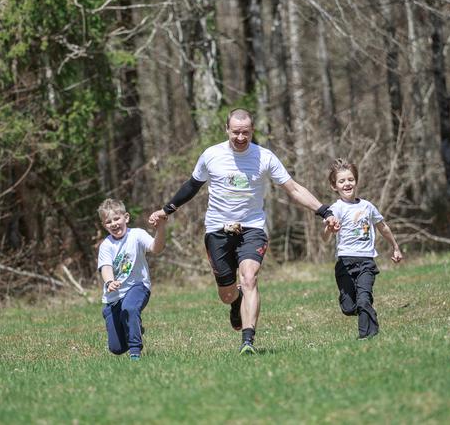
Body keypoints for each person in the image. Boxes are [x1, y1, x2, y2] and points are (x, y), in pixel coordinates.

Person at [148, 108, 339, 355]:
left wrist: (324, 210)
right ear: (227, 130)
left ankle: (248, 340)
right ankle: (235, 301)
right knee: (226, 294)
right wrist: (167, 210)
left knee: (249, 278)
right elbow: (192, 186)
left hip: (252, 227)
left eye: (245, 132)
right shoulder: (211, 155)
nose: (240, 137)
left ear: (252, 131)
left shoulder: (264, 157)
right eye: (236, 132)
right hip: (217, 230)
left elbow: (292, 188)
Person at [321, 158, 403, 340]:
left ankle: (367, 335)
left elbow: (383, 227)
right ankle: (361, 313)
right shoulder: (336, 209)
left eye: (350, 179)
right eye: (341, 181)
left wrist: (395, 247)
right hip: (345, 263)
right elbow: (325, 238)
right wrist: (329, 228)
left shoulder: (367, 207)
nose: (347, 184)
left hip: (366, 261)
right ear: (334, 186)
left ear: (356, 181)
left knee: (364, 299)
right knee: (349, 307)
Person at [97, 198, 167, 360]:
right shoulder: (106, 245)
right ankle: (134, 326)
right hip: (113, 297)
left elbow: (156, 248)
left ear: (126, 217)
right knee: (117, 348)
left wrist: (161, 229)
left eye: (116, 219)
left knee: (129, 308)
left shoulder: (137, 235)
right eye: (108, 222)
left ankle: (135, 352)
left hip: (138, 286)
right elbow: (106, 268)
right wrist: (109, 281)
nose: (114, 224)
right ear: (104, 225)